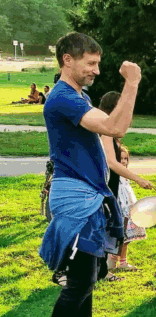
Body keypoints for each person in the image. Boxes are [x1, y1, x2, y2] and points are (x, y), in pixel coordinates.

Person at [40, 31, 142, 316]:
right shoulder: (62, 98)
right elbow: (114, 128)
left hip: (88, 196)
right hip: (76, 198)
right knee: (81, 282)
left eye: (98, 63)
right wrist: (132, 83)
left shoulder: (80, 95)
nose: (97, 70)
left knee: (88, 278)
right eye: (91, 63)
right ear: (67, 60)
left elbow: (115, 126)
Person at [97, 91, 155, 282]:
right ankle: (101, 271)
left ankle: (102, 270)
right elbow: (112, 163)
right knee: (103, 228)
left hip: (108, 186)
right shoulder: (105, 129)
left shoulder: (110, 129)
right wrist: (138, 179)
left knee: (106, 228)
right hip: (103, 188)